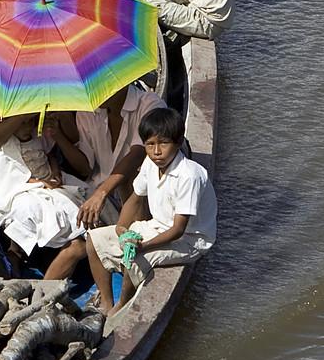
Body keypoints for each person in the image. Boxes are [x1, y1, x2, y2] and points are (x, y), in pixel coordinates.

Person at [50, 106, 215, 312]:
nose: (156, 152)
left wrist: (142, 246)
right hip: (158, 226)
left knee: (133, 259)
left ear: (179, 142)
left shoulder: (189, 176)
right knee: (94, 239)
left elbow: (178, 229)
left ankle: (121, 305)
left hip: (188, 240)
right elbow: (136, 198)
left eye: (163, 144)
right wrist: (121, 228)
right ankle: (107, 302)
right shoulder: (150, 163)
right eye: (150, 144)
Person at [0, 109, 92, 259]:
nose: (27, 127)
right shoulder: (6, 146)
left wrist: (55, 171)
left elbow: (49, 153)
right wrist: (40, 183)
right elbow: (8, 176)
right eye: (23, 123)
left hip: (45, 177)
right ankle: (18, 250)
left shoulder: (37, 137)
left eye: (30, 122)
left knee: (73, 198)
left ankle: (72, 238)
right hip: (19, 186)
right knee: (32, 207)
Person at [63, 79, 163, 225]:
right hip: (96, 195)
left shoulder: (149, 103)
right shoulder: (86, 112)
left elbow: (139, 152)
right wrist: (57, 135)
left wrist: (102, 192)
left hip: (139, 197)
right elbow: (85, 167)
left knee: (130, 179)